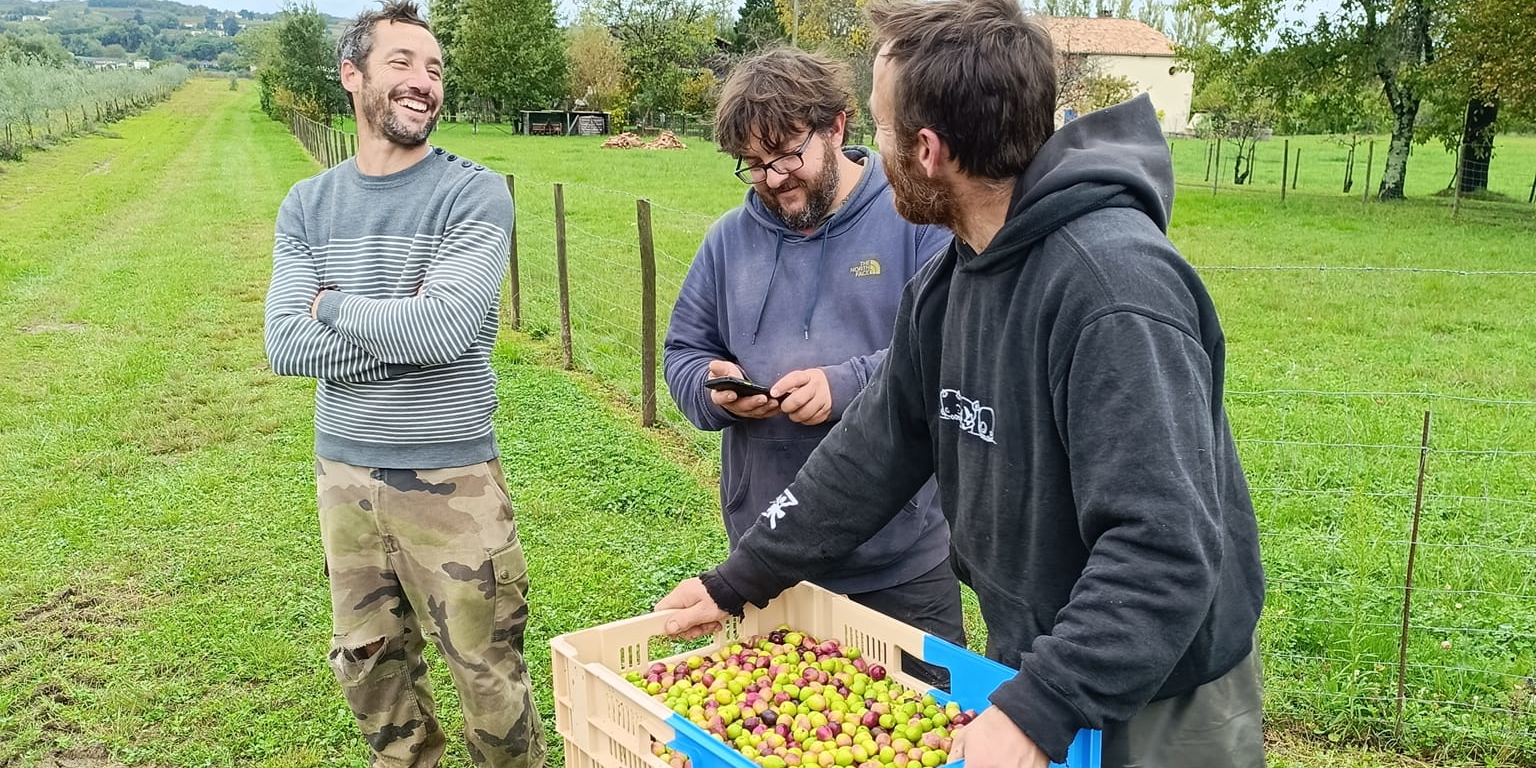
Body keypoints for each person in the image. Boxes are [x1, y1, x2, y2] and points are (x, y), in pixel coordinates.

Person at [654, 1, 1266, 767]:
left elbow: (1163, 549)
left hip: (1162, 689)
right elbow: (871, 453)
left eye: (876, 131)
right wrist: (736, 582)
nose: (872, 158)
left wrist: (1041, 706)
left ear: (928, 150)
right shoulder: (952, 280)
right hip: (1044, 656)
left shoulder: (1112, 290)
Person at [262, 2, 544, 766]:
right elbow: (285, 343)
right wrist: (403, 333)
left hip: (453, 482)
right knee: (368, 666)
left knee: (487, 675)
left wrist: (332, 306)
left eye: (435, 69)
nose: (424, 82)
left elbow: (447, 331)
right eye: (402, 63)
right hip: (344, 478)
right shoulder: (308, 204)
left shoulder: (472, 193)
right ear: (352, 76)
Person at [661, 47, 965, 683]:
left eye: (788, 155)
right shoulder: (727, 241)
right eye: (754, 165)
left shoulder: (915, 219)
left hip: (899, 566)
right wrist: (710, 390)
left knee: (921, 737)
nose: (773, 179)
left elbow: (951, 349)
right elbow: (682, 353)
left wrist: (844, 384)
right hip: (768, 566)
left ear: (838, 126)